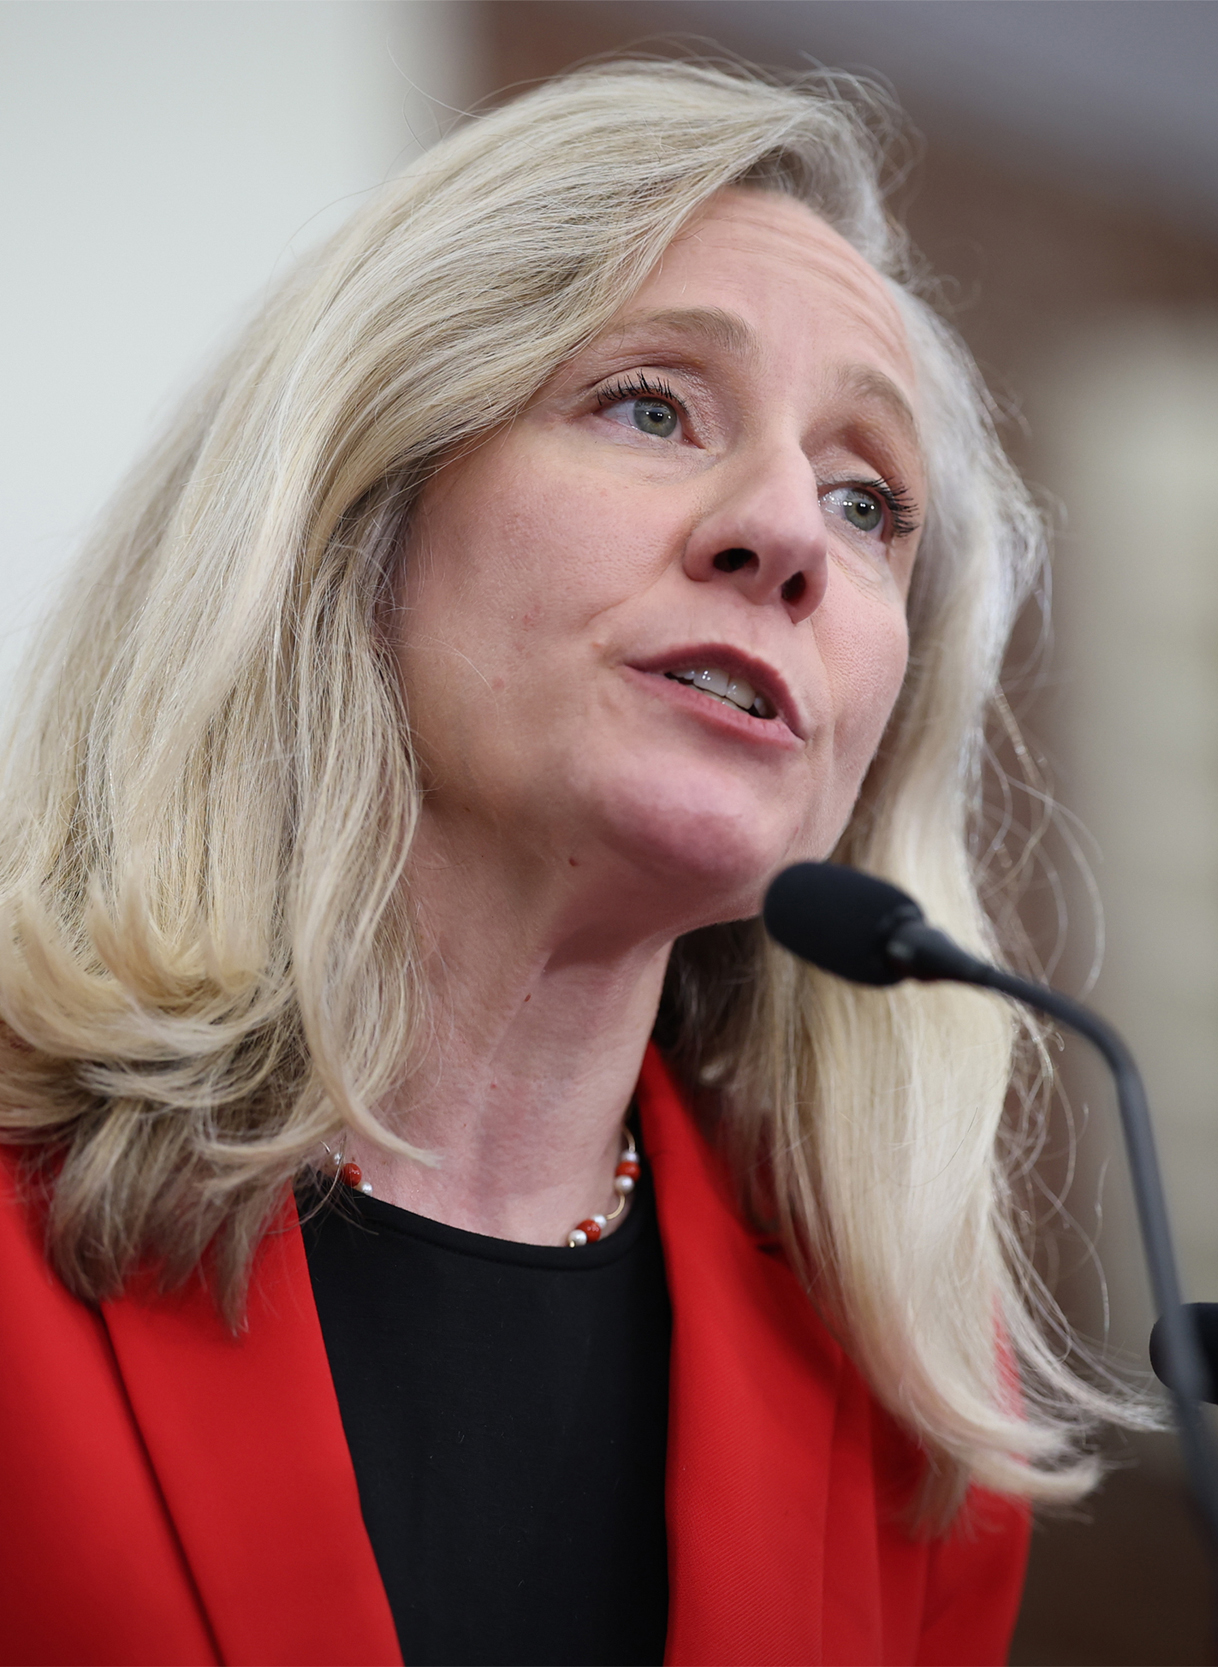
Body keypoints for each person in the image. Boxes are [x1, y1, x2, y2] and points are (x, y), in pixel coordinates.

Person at [0, 60, 1139, 1666]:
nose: (787, 536)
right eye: (651, 405)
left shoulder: (912, 1421)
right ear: (355, 507)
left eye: (868, 500)